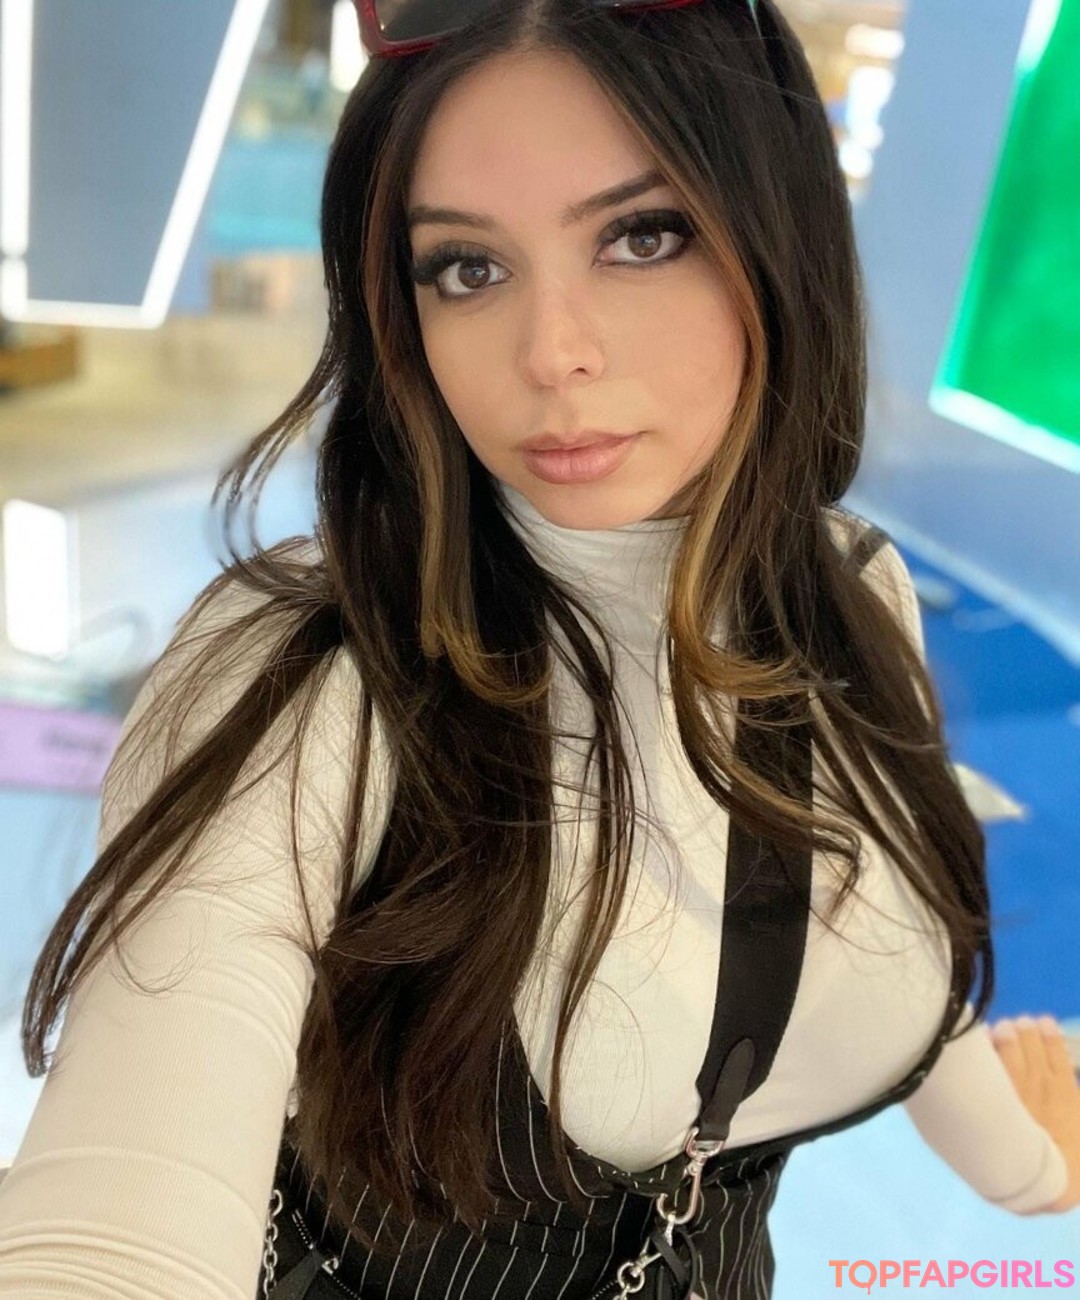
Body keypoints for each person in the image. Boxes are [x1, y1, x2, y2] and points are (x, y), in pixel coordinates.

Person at [0, 1, 1077, 1296]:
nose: (551, 355)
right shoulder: (299, 677)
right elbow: (116, 1218)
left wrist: (1028, 1166)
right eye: (466, 267)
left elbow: (864, 920)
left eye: (642, 235)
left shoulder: (850, 588)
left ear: (776, 235)